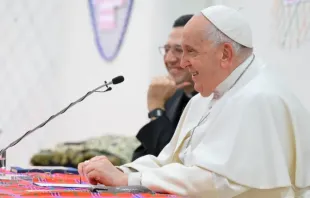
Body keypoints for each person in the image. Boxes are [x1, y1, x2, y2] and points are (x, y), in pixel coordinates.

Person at [78, 5, 310, 197]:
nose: (182, 62)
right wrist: (119, 170)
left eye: (190, 51)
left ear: (225, 54)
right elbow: (169, 161)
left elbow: (220, 182)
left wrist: (130, 179)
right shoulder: (203, 99)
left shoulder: (260, 98)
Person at [132, 14, 197, 161]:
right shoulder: (171, 95)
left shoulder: (213, 99)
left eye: (179, 50)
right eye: (167, 49)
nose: (169, 59)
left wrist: (156, 109)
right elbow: (141, 157)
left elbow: (168, 162)